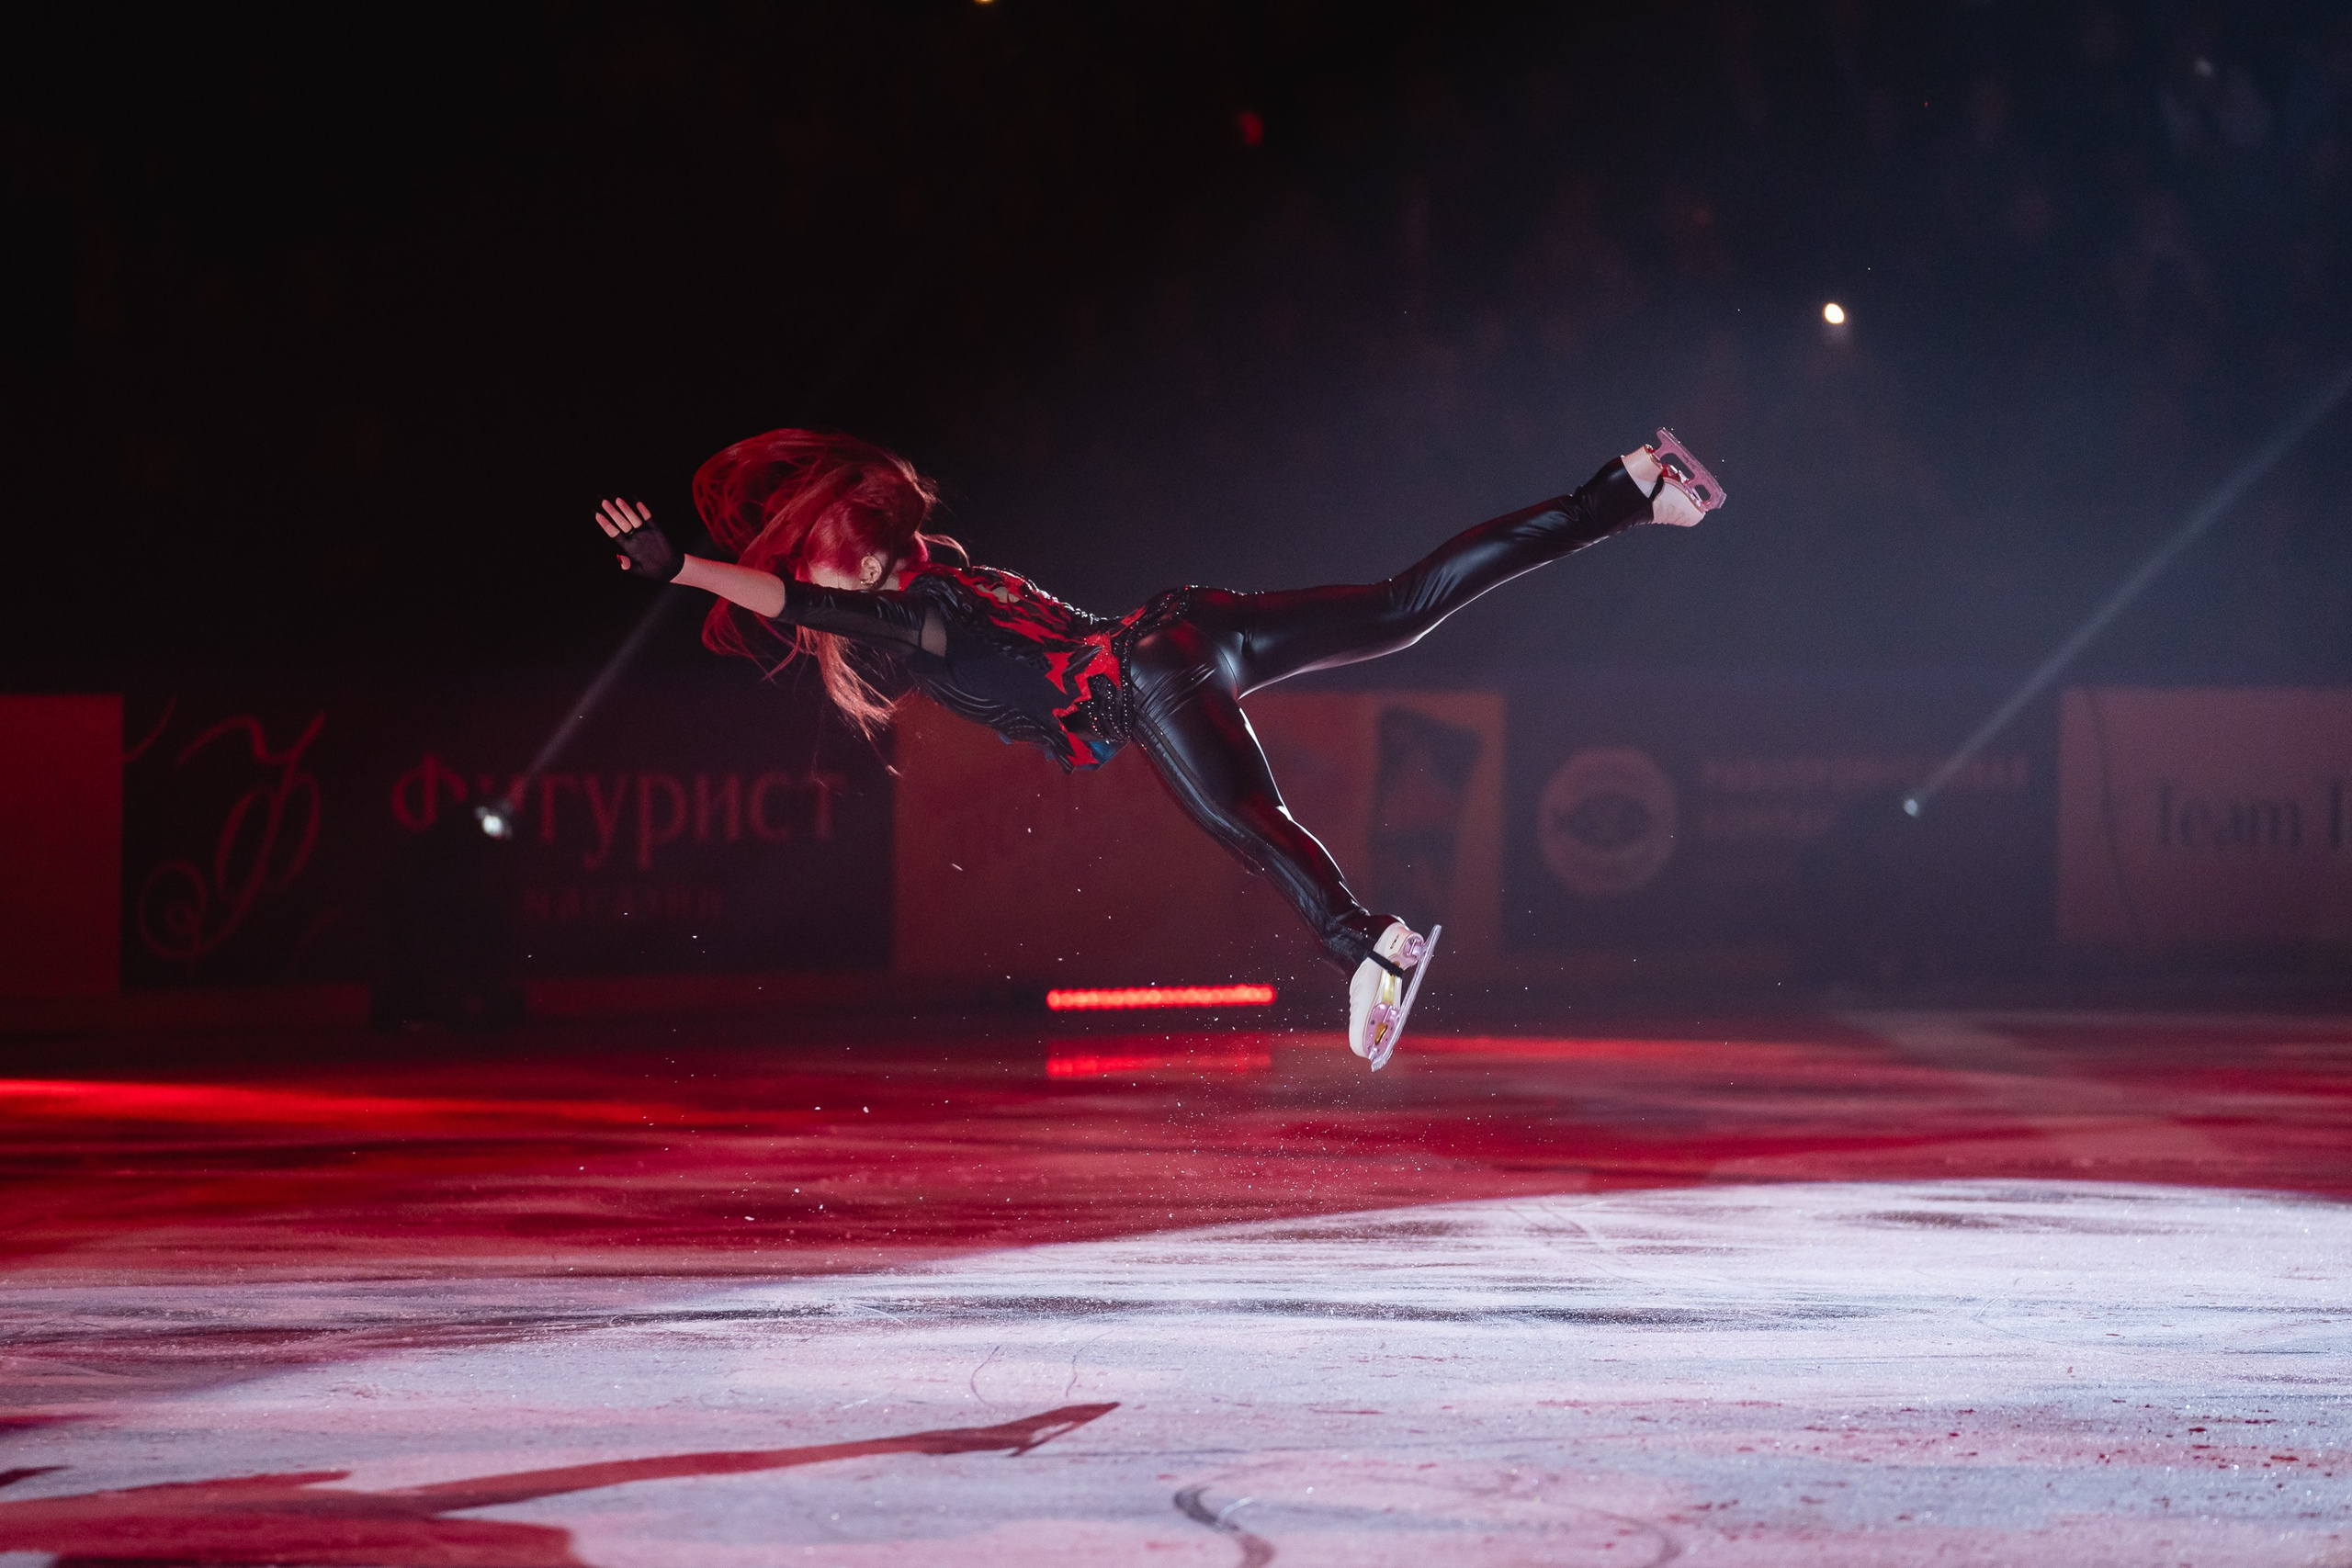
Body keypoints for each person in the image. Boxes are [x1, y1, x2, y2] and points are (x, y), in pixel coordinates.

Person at [596, 428, 1722, 1068]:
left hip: (1149, 674)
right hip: (1189, 626)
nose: (806, 582)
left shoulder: (918, 615)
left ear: (848, 568)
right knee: (1402, 605)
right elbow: (821, 605)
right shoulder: (949, 577)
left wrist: (681, 570)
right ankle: (1628, 492)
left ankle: (1369, 950)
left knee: (1250, 823)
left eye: (814, 566)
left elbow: (804, 609)